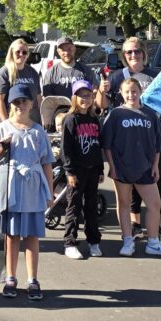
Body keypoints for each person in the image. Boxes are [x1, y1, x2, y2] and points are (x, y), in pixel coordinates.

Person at [96, 36, 161, 241]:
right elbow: (102, 105)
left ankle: (158, 228)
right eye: (128, 52)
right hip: (126, 139)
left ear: (144, 53)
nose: (133, 55)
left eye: (137, 51)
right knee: (129, 184)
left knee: (156, 180)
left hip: (151, 137)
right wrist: (102, 90)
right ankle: (135, 224)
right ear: (123, 56)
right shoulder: (117, 76)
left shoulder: (156, 75)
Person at [0, 84, 55, 300]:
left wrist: (50, 193)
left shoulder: (38, 131)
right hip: (10, 187)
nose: (20, 106)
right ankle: (10, 277)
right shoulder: (1, 129)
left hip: (32, 188)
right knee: (12, 234)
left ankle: (33, 279)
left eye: (24, 101)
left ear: (32, 104)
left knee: (32, 236)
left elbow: (47, 164)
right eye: (16, 102)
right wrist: (2, 148)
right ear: (10, 104)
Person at [102, 78, 161, 257]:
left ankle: (153, 242)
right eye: (127, 92)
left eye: (134, 91)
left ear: (140, 91)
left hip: (145, 167)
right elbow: (107, 144)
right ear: (121, 93)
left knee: (155, 203)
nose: (131, 95)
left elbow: (158, 143)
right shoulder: (115, 114)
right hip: (122, 167)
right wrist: (112, 166)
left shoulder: (150, 114)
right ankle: (128, 240)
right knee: (124, 203)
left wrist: (155, 166)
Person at [59, 80, 104, 259]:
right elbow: (66, 149)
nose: (85, 99)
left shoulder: (94, 119)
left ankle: (94, 241)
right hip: (77, 171)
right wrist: (69, 171)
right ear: (74, 98)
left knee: (92, 207)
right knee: (74, 207)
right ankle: (70, 242)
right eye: (81, 96)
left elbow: (97, 146)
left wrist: (100, 169)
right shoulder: (70, 119)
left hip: (93, 169)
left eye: (88, 95)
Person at [0, 39, 42, 125]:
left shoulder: (33, 72)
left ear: (27, 55)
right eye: (17, 52)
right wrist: (6, 124)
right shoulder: (4, 73)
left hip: (29, 121)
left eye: (24, 52)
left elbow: (38, 98)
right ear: (11, 53)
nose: (21, 54)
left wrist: (41, 119)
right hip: (7, 120)